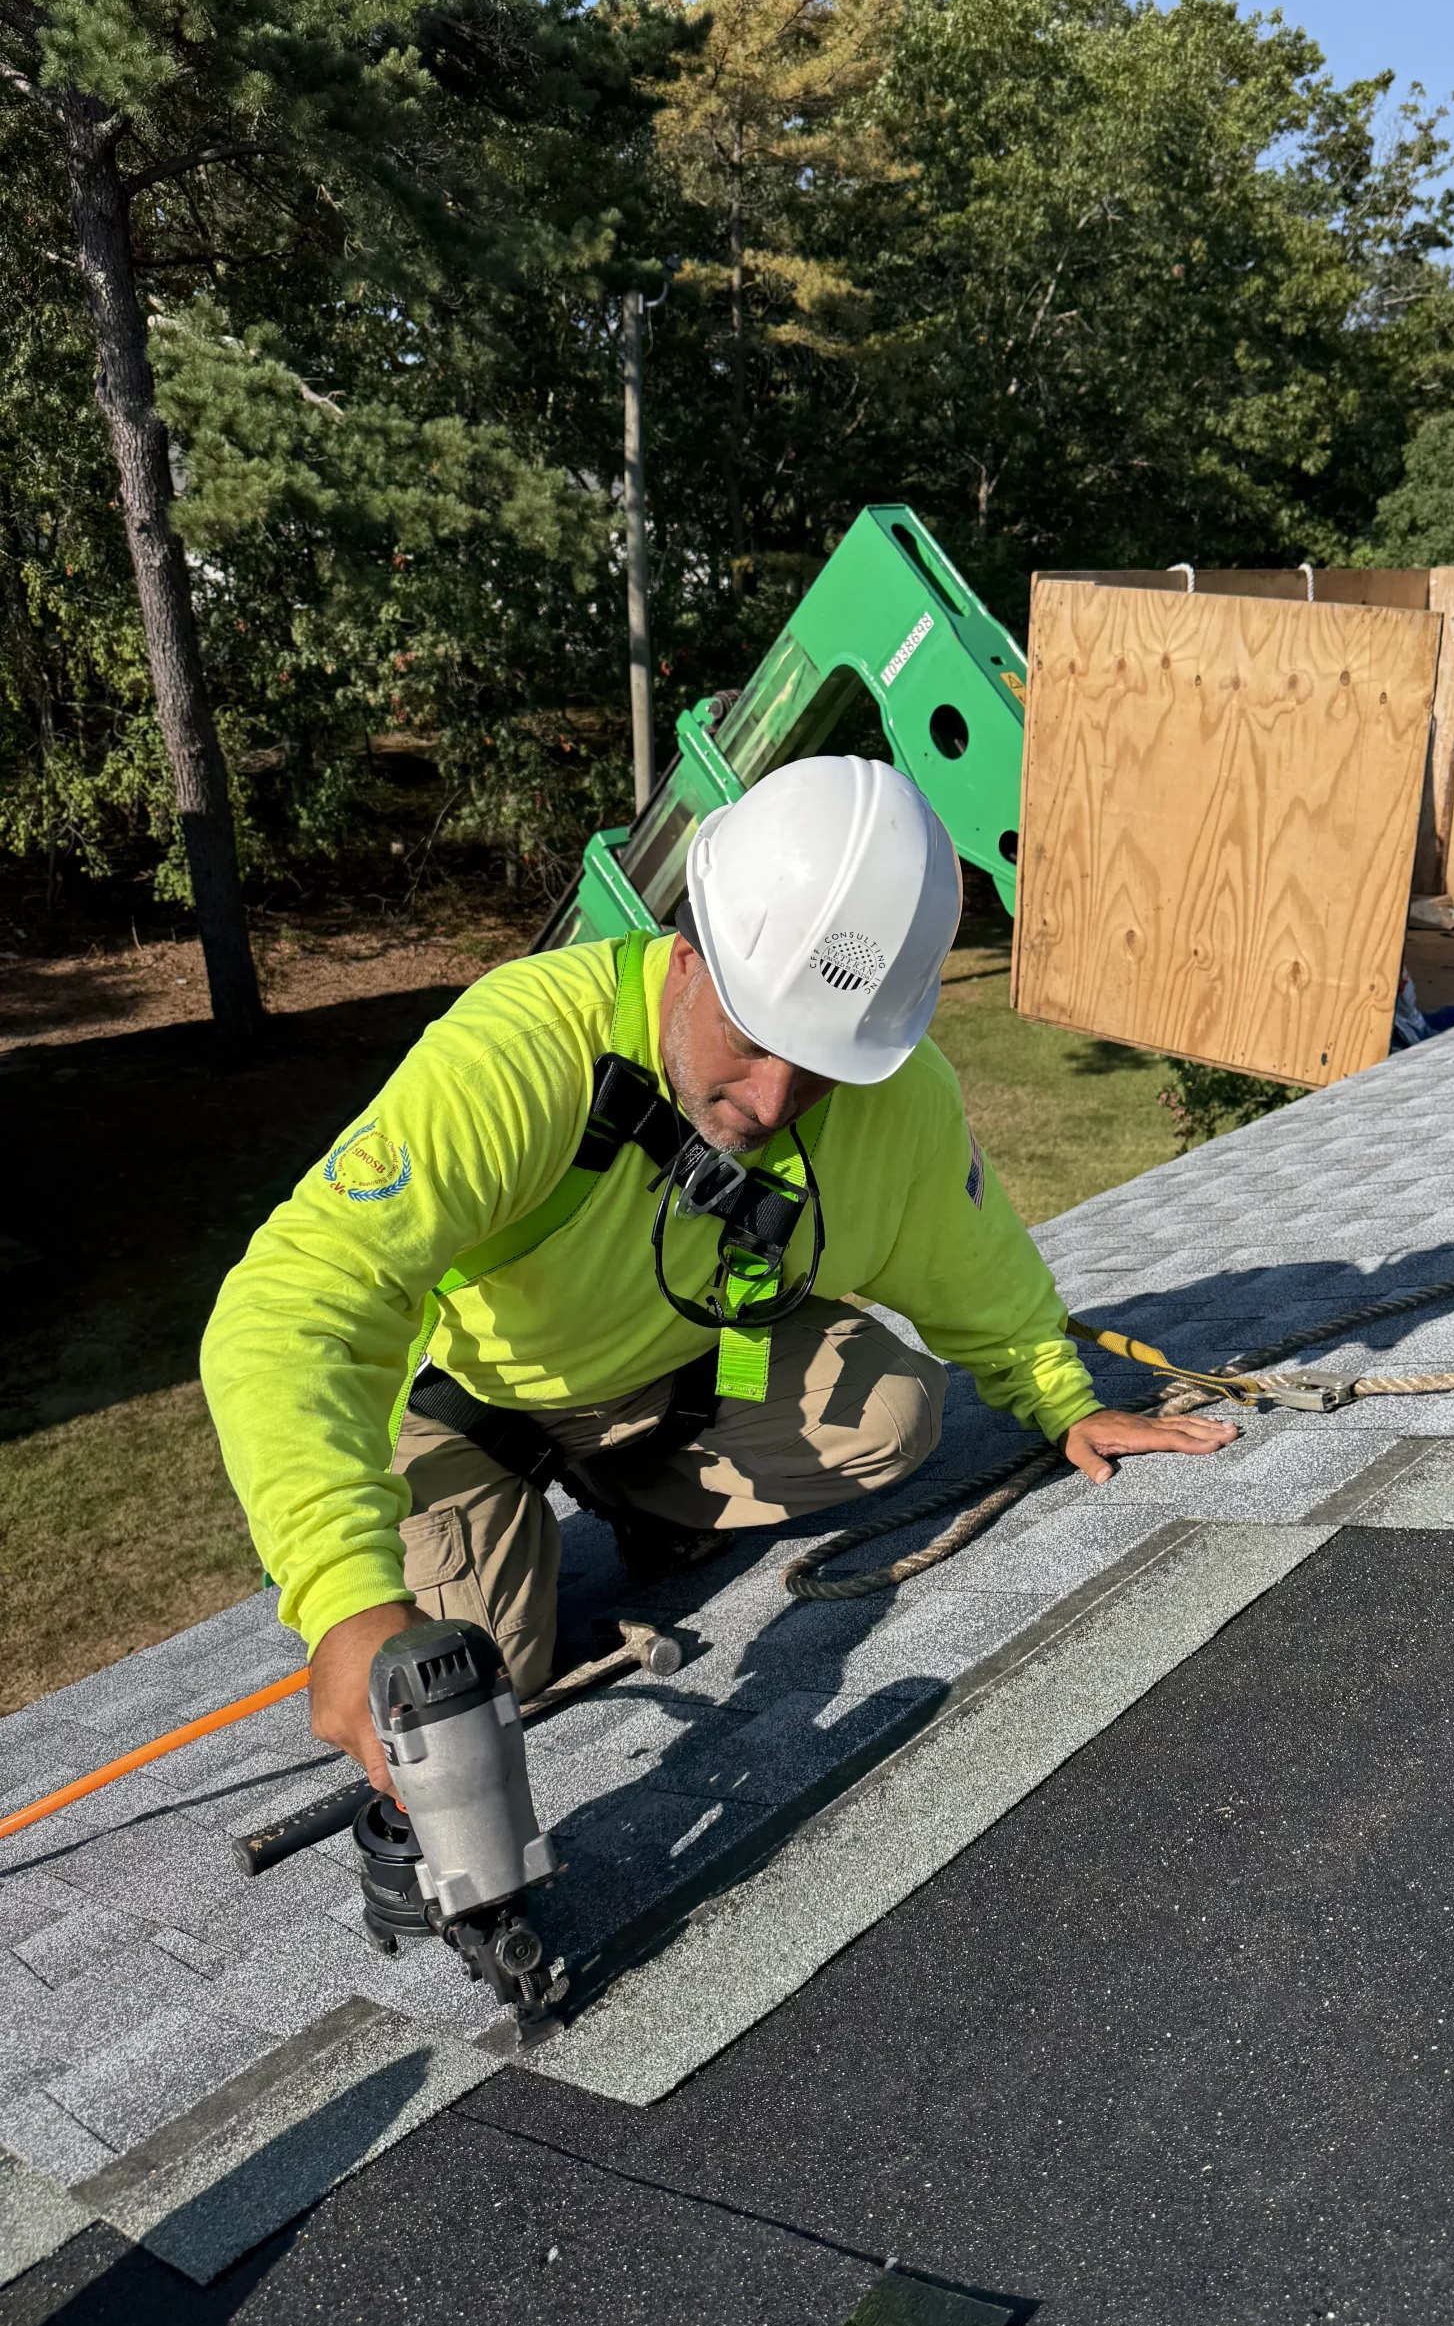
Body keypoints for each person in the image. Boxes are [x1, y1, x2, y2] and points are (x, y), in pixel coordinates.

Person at [203, 757, 1235, 1793]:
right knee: (461, 1686)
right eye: (756, 1038)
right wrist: (344, 1596)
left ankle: (638, 1497)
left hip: (689, 1378)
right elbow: (286, 1310)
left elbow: (973, 1260)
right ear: (689, 954)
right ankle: (510, 1520)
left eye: (823, 1062)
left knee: (893, 1412)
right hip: (482, 1404)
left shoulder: (897, 1099)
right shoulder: (521, 1055)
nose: (778, 1096)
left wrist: (1061, 1403)